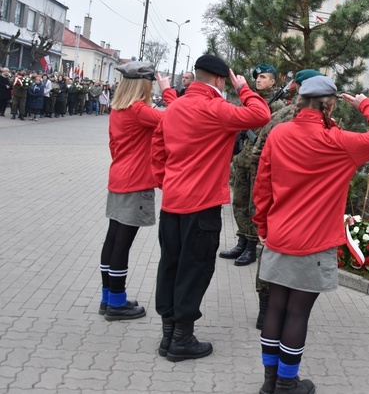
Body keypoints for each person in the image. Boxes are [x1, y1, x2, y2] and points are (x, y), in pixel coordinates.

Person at [253, 75, 369, 394]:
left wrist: (262, 227)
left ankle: (268, 383)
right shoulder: (340, 142)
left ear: (301, 101)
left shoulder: (279, 134)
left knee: (276, 307)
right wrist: (365, 105)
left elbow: (262, 185)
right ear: (329, 106)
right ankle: (287, 383)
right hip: (314, 245)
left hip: (278, 236)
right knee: (297, 313)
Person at [151, 54, 271, 362]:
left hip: (172, 203)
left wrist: (167, 182)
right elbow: (260, 114)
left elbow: (157, 148)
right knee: (195, 268)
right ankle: (182, 340)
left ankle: (168, 335)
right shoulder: (217, 108)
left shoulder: (175, 107)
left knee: (171, 265)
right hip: (201, 206)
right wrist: (244, 87)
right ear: (219, 80)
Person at [100, 62, 176, 321]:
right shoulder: (139, 110)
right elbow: (177, 117)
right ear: (144, 85)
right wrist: (168, 92)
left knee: (112, 238)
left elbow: (113, 144)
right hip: (136, 182)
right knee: (123, 243)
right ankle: (117, 303)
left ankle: (107, 297)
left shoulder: (118, 109)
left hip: (119, 176)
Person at [249, 69, 322, 331]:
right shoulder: (325, 124)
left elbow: (257, 156)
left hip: (272, 198)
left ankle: (265, 309)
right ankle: (286, 311)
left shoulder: (279, 117)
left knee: (269, 253)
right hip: (307, 208)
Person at [222, 63, 283, 266]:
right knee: (239, 201)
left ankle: (251, 246)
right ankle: (241, 240)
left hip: (259, 162)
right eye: (257, 77)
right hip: (241, 160)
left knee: (255, 205)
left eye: (264, 77)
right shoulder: (247, 101)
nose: (258, 80)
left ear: (273, 81)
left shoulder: (278, 107)